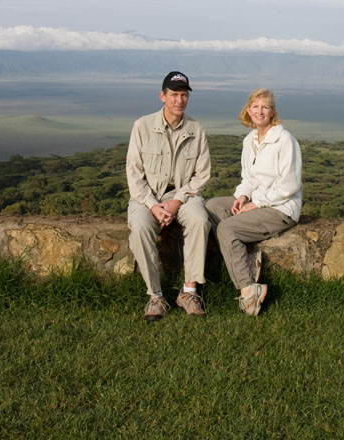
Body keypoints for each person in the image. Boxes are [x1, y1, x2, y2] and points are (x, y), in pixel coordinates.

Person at [206, 88, 302, 316]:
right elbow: (248, 178)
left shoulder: (284, 140)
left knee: (227, 227)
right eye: (255, 107)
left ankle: (248, 290)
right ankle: (248, 261)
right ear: (248, 110)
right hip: (258, 203)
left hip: (281, 208)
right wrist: (242, 197)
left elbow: (289, 186)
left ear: (272, 112)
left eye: (265, 107)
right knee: (211, 207)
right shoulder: (249, 140)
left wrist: (255, 203)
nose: (260, 111)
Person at [126, 71, 212, 321]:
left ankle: (189, 291)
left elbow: (202, 174)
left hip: (184, 195)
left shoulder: (197, 130)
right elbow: (134, 174)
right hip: (147, 196)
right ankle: (155, 296)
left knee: (199, 220)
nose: (179, 100)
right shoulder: (142, 126)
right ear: (162, 96)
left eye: (184, 95)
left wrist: (177, 201)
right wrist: (154, 206)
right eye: (174, 95)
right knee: (140, 226)